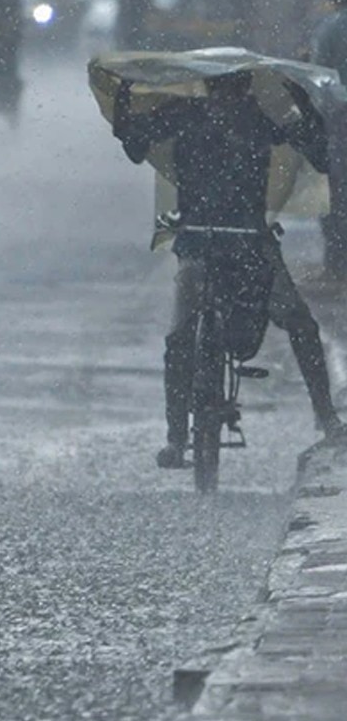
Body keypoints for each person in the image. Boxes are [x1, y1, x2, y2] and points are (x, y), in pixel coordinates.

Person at [112, 69, 345, 468]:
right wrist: (124, 106)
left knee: (187, 335)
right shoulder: (235, 116)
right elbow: (317, 151)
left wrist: (124, 102)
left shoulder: (198, 114)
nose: (226, 94)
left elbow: (133, 144)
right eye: (223, 86)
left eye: (231, 86)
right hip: (233, 243)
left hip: (223, 241)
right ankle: (324, 420)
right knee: (192, 335)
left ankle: (180, 439)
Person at [312, 0, 347, 278]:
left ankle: (337, 264)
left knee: (335, 196)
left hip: (338, 124)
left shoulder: (333, 28)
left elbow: (320, 81)